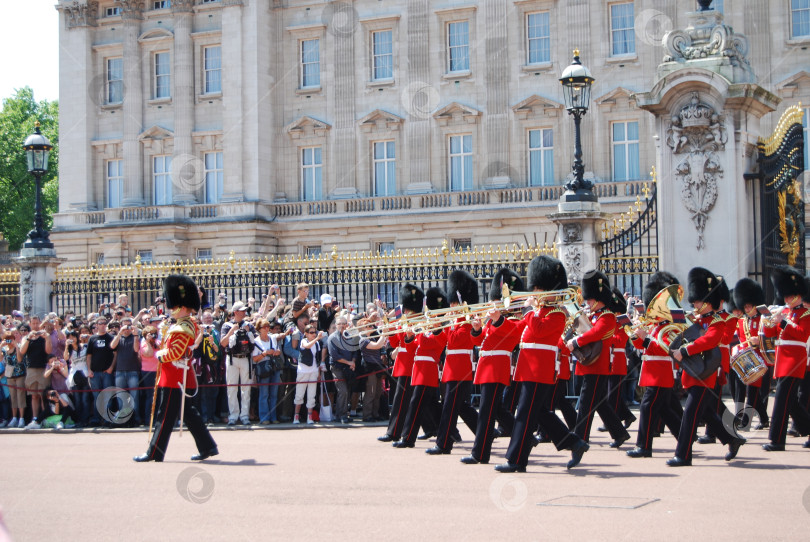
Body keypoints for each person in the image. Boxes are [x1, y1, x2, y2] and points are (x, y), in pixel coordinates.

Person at [495, 256, 589, 473]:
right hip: (527, 368)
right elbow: (517, 330)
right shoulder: (537, 312)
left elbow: (537, 329)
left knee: (524, 413)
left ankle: (516, 460)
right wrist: (498, 319)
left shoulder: (557, 314)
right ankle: (573, 442)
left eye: (538, 288)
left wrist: (528, 311)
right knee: (537, 412)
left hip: (539, 370)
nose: (534, 292)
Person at [134, 274, 218, 462]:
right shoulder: (183, 325)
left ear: (180, 307)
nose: (169, 308)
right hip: (179, 376)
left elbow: (175, 352)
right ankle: (208, 446)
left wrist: (159, 354)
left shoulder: (181, 328)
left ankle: (154, 452)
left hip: (174, 378)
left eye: (172, 305)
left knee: (164, 416)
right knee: (189, 414)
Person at [668, 267, 745, 466]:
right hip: (693, 372)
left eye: (697, 301)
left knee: (690, 414)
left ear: (707, 302)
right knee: (708, 413)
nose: (694, 304)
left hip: (706, 373)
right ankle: (732, 439)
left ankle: (683, 455)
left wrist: (684, 351)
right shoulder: (696, 321)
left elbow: (709, 342)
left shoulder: (718, 322)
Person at [462, 268, 523, 465]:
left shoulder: (513, 320)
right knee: (495, 410)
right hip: (486, 367)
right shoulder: (492, 320)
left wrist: (498, 319)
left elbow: (513, 334)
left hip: (496, 368)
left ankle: (479, 453)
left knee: (486, 413)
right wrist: (477, 329)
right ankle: (524, 438)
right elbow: (480, 342)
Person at [565, 270, 631, 447]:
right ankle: (619, 433)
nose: (587, 302)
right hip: (590, 363)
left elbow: (596, 333)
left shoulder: (608, 316)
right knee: (600, 402)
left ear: (597, 298)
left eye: (589, 299)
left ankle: (580, 437)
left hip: (597, 364)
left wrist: (576, 341)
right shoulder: (594, 315)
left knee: (586, 403)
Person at [626, 272, 684, 458]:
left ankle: (643, 446)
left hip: (661, 373)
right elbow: (644, 347)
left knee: (647, 407)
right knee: (665, 411)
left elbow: (664, 348)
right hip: (651, 372)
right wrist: (636, 335)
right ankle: (685, 439)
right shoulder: (654, 325)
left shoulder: (671, 326)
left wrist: (646, 338)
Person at [427, 270, 483, 455]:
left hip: (460, 369)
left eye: (453, 302)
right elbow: (442, 341)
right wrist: (437, 329)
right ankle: (486, 435)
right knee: (457, 407)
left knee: (450, 408)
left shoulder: (466, 320)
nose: (450, 305)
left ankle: (443, 444)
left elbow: (457, 340)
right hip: (452, 368)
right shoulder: (454, 321)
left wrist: (446, 324)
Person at [393, 287, 448, 449]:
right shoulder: (425, 331)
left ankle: (408, 438)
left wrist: (420, 332)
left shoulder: (439, 333)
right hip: (419, 371)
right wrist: (409, 336)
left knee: (416, 405)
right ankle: (451, 432)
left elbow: (425, 344)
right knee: (429, 405)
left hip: (428, 372)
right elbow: (412, 348)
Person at [763, 265, 810, 451]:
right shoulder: (787, 313)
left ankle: (777, 440)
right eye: (786, 296)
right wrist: (769, 321)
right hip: (782, 360)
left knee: (782, 401)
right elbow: (772, 333)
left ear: (799, 295)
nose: (788, 299)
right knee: (791, 404)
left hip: (794, 361)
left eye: (791, 296)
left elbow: (802, 334)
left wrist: (783, 321)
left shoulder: (805, 314)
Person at [378, 284, 423, 442]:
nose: (406, 311)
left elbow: (415, 344)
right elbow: (395, 342)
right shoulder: (402, 321)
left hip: (411, 363)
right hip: (402, 363)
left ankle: (394, 432)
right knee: (416, 400)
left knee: (401, 400)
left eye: (408, 309)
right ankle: (433, 427)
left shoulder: (419, 322)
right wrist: (389, 330)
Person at [732, 278, 777, 430]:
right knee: (754, 393)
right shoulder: (741, 322)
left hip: (760, 359)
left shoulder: (764, 319)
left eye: (749, 306)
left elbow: (772, 338)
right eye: (745, 306)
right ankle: (764, 419)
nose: (747, 309)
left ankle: (746, 421)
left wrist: (759, 340)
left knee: (751, 392)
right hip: (746, 359)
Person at [220, 302, 256, 426]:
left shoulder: (249, 325)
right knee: (232, 388)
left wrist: (248, 332)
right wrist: (232, 331)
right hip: (232, 358)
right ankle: (233, 415)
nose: (244, 313)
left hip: (246, 358)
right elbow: (223, 343)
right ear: (235, 312)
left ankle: (245, 415)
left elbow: (254, 342)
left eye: (244, 311)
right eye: (241, 311)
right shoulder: (226, 325)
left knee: (246, 388)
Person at [19, 315, 53, 429]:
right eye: (33, 323)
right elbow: (22, 351)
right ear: (30, 324)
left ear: (40, 323)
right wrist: (28, 338)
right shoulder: (26, 337)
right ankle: (35, 418)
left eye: (36, 323)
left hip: (43, 367)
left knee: (43, 395)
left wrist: (47, 338)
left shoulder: (44, 336)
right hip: (31, 369)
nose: (35, 325)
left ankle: (43, 418)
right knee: (34, 396)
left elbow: (49, 351)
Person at [111, 317, 142, 427]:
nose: (127, 328)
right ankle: (123, 419)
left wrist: (135, 335)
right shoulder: (119, 337)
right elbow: (112, 346)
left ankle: (136, 418)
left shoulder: (134, 337)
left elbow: (136, 349)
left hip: (132, 371)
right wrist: (120, 333)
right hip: (119, 371)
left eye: (129, 325)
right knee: (121, 396)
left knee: (134, 397)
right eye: (125, 325)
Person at [327, 315, 358, 424]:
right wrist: (349, 362)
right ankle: (340, 415)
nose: (341, 326)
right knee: (343, 391)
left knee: (347, 391)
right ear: (335, 325)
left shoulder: (349, 336)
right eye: (339, 323)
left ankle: (343, 414)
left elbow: (355, 350)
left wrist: (353, 362)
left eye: (343, 323)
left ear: (346, 325)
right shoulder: (332, 338)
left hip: (349, 367)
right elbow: (335, 356)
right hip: (337, 368)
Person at [85, 317, 115, 427]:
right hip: (95, 372)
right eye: (100, 323)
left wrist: (111, 367)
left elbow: (115, 355)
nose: (102, 325)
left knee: (108, 396)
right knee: (96, 396)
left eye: (104, 323)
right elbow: (88, 356)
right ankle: (96, 419)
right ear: (96, 325)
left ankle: (108, 419)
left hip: (107, 372)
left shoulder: (111, 337)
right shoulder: (92, 338)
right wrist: (89, 370)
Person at [294, 324, 326, 424]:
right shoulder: (304, 341)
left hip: (313, 371)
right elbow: (307, 346)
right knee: (299, 395)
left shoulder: (316, 344)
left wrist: (319, 372)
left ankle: (310, 417)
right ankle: (296, 417)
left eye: (314, 332)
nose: (313, 334)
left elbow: (317, 358)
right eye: (311, 333)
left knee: (311, 395)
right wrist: (317, 338)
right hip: (303, 371)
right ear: (306, 334)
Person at [2, 331, 26, 428]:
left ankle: (21, 418)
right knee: (13, 398)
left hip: (19, 375)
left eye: (10, 339)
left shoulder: (18, 347)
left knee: (20, 396)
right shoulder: (5, 350)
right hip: (10, 376)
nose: (8, 341)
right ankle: (14, 418)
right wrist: (1, 345)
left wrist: (16, 346)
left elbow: (20, 359)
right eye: (7, 339)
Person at [139, 325, 161, 426]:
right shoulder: (143, 344)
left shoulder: (158, 342)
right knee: (150, 396)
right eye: (150, 334)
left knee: (159, 396)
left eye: (154, 333)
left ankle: (158, 418)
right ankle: (149, 419)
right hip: (148, 372)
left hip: (159, 371)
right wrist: (148, 341)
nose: (153, 336)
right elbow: (149, 354)